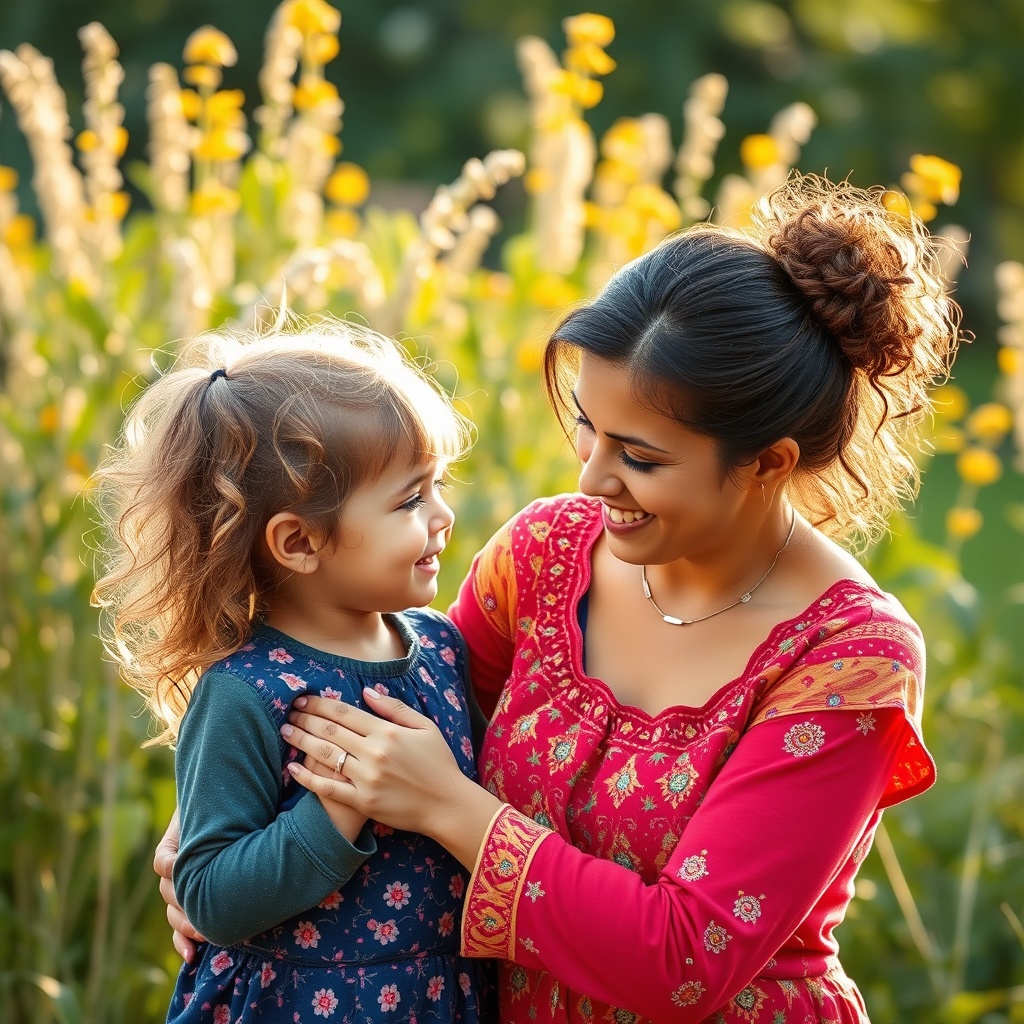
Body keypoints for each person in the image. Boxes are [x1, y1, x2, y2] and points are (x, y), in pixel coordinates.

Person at [158, 174, 960, 1023]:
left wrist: (452, 809)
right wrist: (212, 845)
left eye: (640, 457)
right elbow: (385, 715)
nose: (590, 477)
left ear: (767, 464)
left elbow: (685, 965)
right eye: (587, 425)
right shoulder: (547, 555)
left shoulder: (848, 659)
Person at [94, 319, 493, 1023]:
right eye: (408, 499)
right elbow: (210, 896)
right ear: (299, 541)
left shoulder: (441, 648)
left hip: (435, 997)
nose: (443, 516)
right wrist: (339, 803)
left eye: (436, 486)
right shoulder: (246, 691)